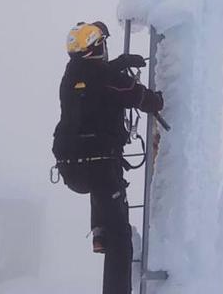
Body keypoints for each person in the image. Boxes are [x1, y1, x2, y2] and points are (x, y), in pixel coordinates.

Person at [53, 21, 163, 294]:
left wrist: (119, 63)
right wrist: (159, 97)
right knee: (121, 239)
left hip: (70, 166)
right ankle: (107, 237)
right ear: (98, 47)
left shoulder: (70, 78)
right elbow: (144, 99)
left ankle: (99, 230)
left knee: (100, 181)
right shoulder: (108, 79)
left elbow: (96, 80)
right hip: (99, 165)